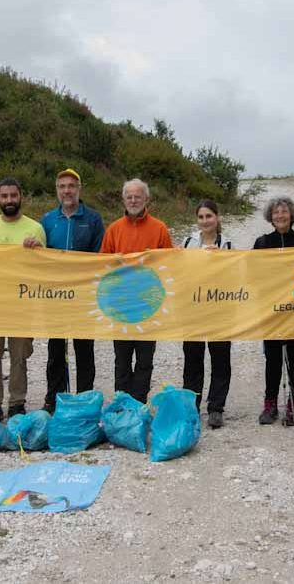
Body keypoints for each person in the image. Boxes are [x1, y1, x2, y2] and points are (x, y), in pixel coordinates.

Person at [0, 177, 47, 422]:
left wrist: (37, 250)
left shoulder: (35, 228)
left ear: (21, 197)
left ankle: (17, 403)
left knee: (19, 356)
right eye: (5, 196)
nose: (9, 200)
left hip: (21, 305)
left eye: (14, 195)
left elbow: (46, 267)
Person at [100, 178, 173, 403]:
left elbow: (171, 262)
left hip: (148, 305)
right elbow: (102, 264)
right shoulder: (113, 229)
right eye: (129, 196)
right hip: (120, 305)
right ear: (123, 199)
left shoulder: (159, 228)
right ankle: (122, 402)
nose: (133, 200)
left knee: (144, 359)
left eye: (137, 196)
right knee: (121, 359)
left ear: (146, 199)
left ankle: (139, 403)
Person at [40, 169, 105, 413]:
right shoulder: (47, 220)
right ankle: (53, 397)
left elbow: (100, 255)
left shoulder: (93, 218)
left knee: (84, 348)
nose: (67, 191)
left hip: (84, 295)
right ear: (57, 190)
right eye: (62, 186)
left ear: (79, 188)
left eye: (71, 186)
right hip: (55, 295)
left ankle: (85, 396)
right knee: (55, 348)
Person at [253, 196, 294, 427]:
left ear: (291, 215)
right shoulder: (262, 242)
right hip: (271, 309)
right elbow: (251, 273)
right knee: (273, 357)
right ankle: (270, 403)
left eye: (284, 212)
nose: (280, 216)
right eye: (276, 213)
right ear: (270, 217)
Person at [181, 199, 233, 429]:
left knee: (220, 358)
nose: (205, 221)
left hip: (220, 309)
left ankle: (216, 407)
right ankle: (192, 404)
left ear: (217, 217)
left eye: (209, 216)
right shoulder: (187, 242)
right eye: (201, 217)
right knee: (193, 357)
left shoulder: (229, 243)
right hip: (193, 308)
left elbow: (239, 272)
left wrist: (221, 257)